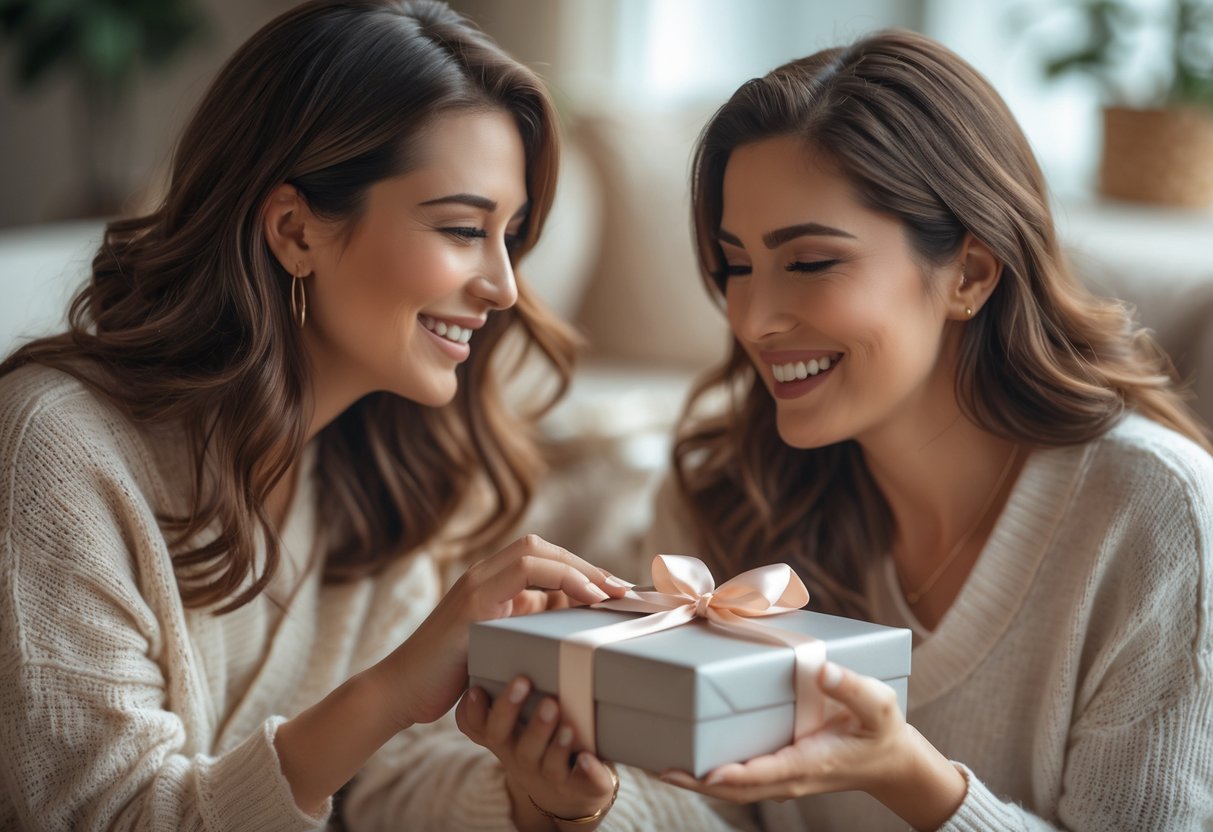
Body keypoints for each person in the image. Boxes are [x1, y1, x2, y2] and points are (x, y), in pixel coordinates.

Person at [0, 3, 754, 830]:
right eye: (463, 229)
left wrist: (538, 799)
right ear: (294, 230)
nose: (503, 286)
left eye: (511, 235)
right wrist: (394, 688)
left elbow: (386, 785)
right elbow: (108, 816)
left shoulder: (383, 471)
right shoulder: (57, 453)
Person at [640, 28, 1213, 831]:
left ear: (970, 274)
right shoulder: (727, 495)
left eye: (808, 262)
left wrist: (913, 781)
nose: (754, 319)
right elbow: (693, 811)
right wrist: (566, 805)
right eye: (734, 265)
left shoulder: (1154, 516)